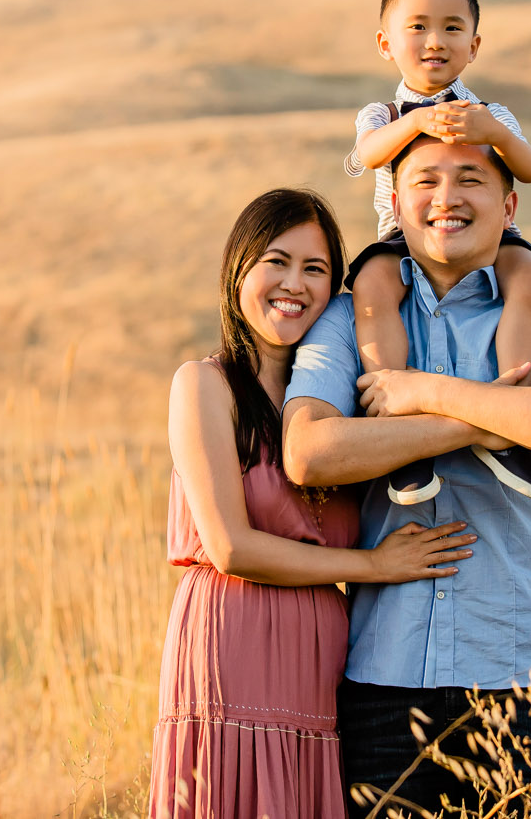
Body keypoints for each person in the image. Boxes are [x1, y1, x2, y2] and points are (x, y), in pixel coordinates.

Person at [284, 136, 531, 818]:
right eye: (426, 181)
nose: (447, 197)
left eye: (470, 178)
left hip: (530, 670)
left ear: (509, 203)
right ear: (397, 204)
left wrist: (420, 391)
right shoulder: (350, 318)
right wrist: (485, 421)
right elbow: (310, 453)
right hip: (385, 678)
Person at [149, 187, 484, 818]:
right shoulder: (204, 385)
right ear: (237, 270)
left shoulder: (337, 409)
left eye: (316, 269)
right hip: (231, 646)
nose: (293, 284)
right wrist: (375, 566)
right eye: (276, 261)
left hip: (320, 660)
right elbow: (230, 547)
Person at [342, 0, 531, 507]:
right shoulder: (382, 112)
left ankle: (511, 412)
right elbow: (366, 156)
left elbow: (529, 169)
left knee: (530, 275)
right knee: (371, 287)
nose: (435, 40)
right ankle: (397, 420)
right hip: (403, 238)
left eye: (452, 28)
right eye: (418, 27)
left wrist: (492, 132)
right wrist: (412, 123)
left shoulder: (490, 110)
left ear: (475, 46)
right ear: (386, 43)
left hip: (488, 238)